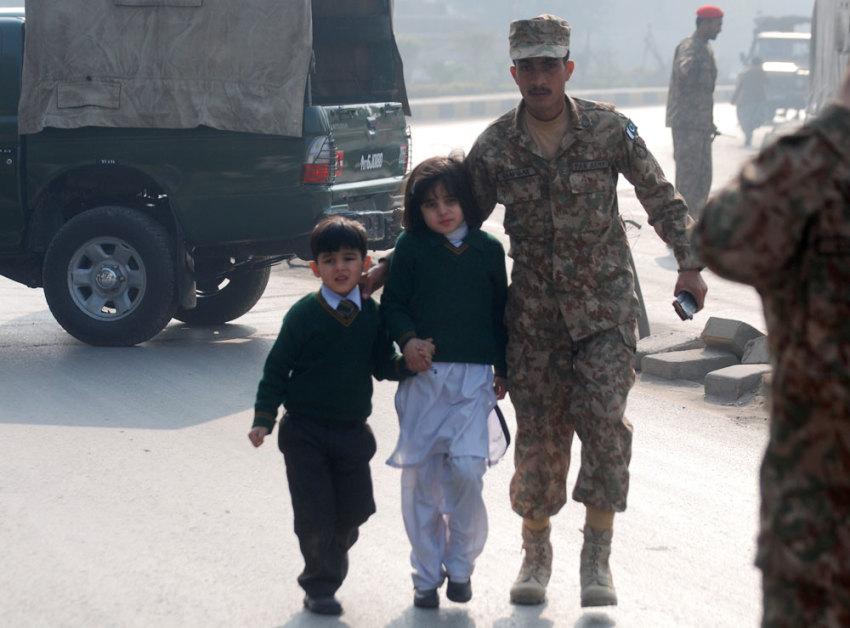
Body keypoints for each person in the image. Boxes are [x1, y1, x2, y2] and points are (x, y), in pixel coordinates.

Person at [463, 14, 708, 608]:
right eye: (529, 67)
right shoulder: (495, 147)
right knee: (541, 439)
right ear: (514, 72)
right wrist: (391, 270)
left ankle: (596, 557)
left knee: (604, 422)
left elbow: (658, 192)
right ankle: (536, 555)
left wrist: (690, 262)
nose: (540, 78)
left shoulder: (606, 128)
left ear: (568, 69)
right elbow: (451, 226)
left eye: (550, 66)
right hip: (534, 322)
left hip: (604, 311)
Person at [693, 62, 850, 628]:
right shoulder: (821, 166)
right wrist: (839, 128)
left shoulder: (816, 161)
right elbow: (720, 234)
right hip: (822, 517)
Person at [247, 216, 424, 616]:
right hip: (304, 432)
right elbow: (277, 369)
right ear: (315, 269)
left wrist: (410, 364)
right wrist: (264, 417)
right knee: (315, 516)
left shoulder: (372, 315)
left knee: (353, 512)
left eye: (349, 258)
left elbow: (383, 364)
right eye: (330, 260)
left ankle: (328, 560)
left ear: (366, 265)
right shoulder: (303, 315)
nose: (340, 267)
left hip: (352, 434)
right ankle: (320, 584)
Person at [381, 155, 509, 609]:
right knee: (420, 484)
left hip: (474, 383)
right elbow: (392, 304)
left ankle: (461, 565)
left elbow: (501, 315)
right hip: (423, 383)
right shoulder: (411, 248)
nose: (442, 210)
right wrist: (409, 340)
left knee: (469, 471)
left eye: (451, 200)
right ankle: (425, 574)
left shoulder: (488, 251)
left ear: (468, 203)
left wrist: (503, 369)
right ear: (417, 210)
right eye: (431, 204)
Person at [666, 5, 724, 217]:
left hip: (700, 126)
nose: (719, 29)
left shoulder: (706, 49)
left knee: (703, 179)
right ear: (705, 24)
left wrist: (709, 123)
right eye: (717, 25)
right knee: (688, 180)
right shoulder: (690, 47)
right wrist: (686, 66)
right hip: (687, 125)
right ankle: (680, 227)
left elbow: (704, 94)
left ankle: (695, 225)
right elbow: (683, 69)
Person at [731, 57, 770, 147]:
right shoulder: (760, 72)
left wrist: (733, 99)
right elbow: (768, 82)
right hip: (758, 100)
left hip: (744, 100)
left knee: (745, 120)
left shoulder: (745, 72)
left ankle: (748, 135)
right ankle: (749, 135)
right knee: (754, 119)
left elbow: (739, 86)